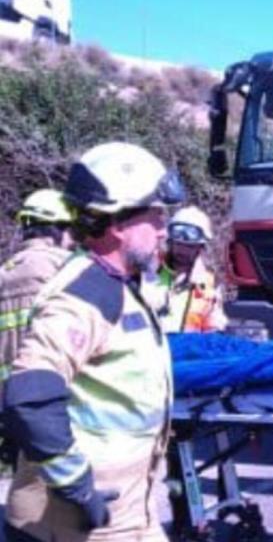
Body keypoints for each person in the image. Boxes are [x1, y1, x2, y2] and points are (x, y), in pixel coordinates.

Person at [3, 141, 184, 541]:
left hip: (129, 511)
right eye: (155, 217)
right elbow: (29, 397)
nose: (163, 230)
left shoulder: (120, 285)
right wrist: (77, 485)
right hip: (81, 520)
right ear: (117, 224)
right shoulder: (84, 293)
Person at [1, 189, 76, 374]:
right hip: (51, 388)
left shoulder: (4, 273)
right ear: (59, 228)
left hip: (8, 394)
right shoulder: (66, 267)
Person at [153, 206, 227, 333]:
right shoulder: (150, 272)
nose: (182, 250)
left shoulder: (209, 285)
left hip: (187, 351)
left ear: (200, 247)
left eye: (189, 247)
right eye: (178, 244)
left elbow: (214, 329)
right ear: (170, 242)